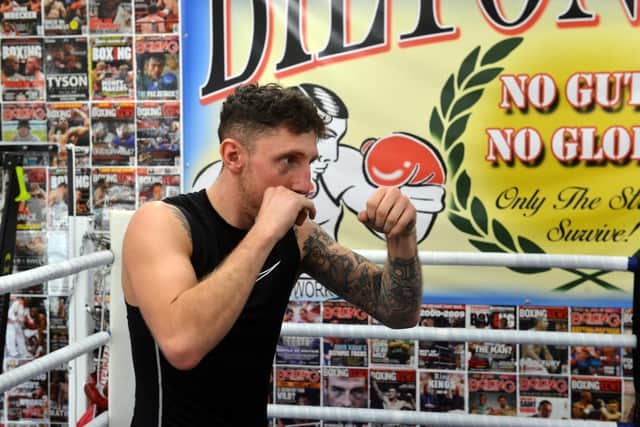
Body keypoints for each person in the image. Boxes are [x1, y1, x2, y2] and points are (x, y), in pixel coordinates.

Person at [122, 83, 422, 425]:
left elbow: (397, 311)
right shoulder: (164, 223)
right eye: (288, 161)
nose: (306, 183)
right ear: (233, 155)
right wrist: (263, 233)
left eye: (309, 161)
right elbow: (182, 345)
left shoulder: (297, 234)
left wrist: (402, 238)